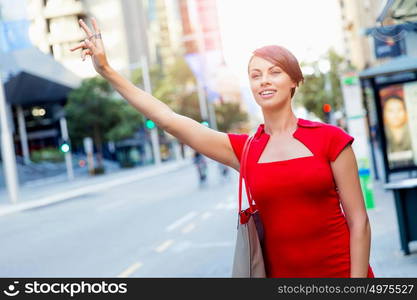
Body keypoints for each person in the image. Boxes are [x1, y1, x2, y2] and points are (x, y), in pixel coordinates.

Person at [70, 18, 374, 278]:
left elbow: (359, 220)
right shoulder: (246, 149)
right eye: (256, 75)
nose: (264, 81)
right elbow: (169, 120)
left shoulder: (330, 139)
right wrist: (107, 70)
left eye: (274, 72)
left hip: (341, 272)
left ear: (295, 81)